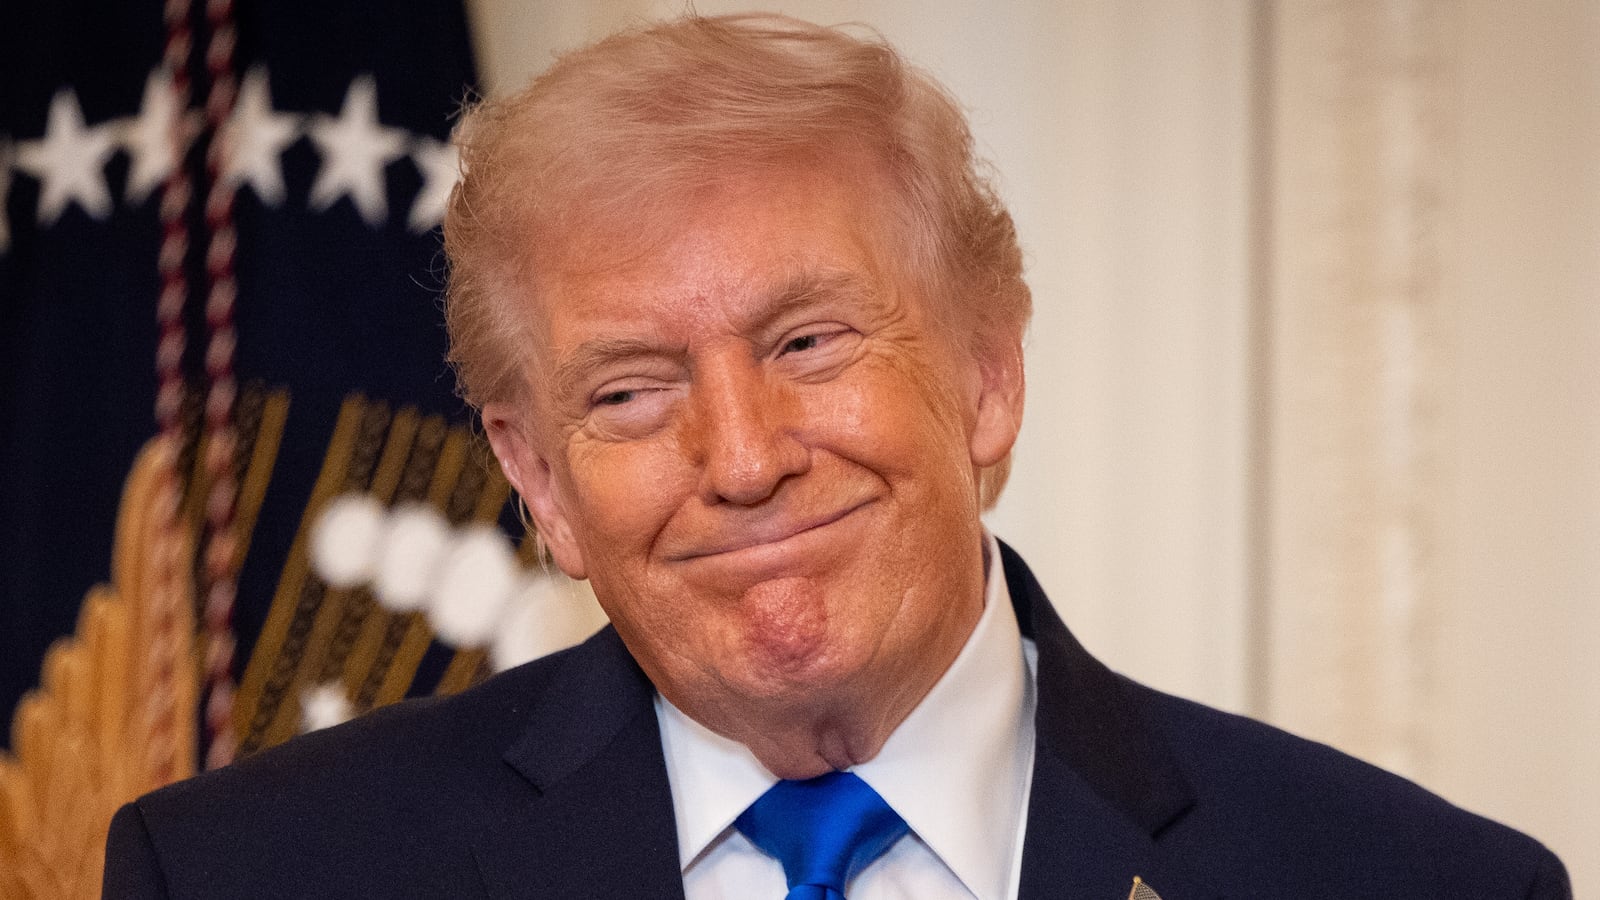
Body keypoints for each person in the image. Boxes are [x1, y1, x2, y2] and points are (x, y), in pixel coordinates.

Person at [104, 13, 1569, 899]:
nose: (742, 460)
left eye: (808, 342)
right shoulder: (245, 876)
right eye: (631, 391)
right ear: (538, 481)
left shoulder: (1410, 883)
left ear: (988, 376)